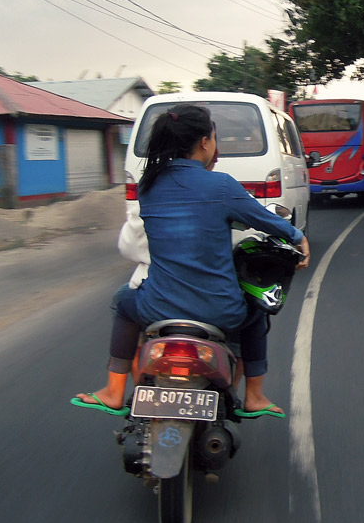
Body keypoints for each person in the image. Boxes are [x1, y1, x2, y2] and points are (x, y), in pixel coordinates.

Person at [73, 104, 309, 418]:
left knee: (123, 302)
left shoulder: (148, 186)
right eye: (214, 137)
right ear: (204, 143)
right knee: (255, 310)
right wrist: (298, 238)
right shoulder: (222, 186)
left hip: (157, 307)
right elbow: (266, 220)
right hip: (220, 310)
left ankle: (114, 391)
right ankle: (254, 395)